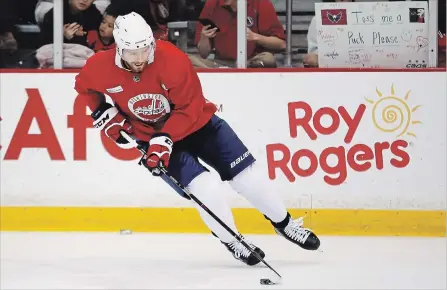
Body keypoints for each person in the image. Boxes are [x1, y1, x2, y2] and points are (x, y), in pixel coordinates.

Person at [74, 12, 320, 266]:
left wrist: (164, 137)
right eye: (132, 53)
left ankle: (285, 223)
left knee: (247, 176)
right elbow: (83, 87)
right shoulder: (100, 66)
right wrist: (102, 110)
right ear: (118, 48)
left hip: (199, 125)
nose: (140, 59)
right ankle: (233, 240)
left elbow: (189, 108)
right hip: (153, 139)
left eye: (145, 50)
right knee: (205, 189)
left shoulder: (172, 59)